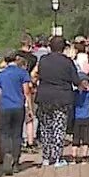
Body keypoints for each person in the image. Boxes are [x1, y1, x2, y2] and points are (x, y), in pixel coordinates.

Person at [32, 36, 77, 168]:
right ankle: (57, 158)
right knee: (59, 127)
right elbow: (75, 80)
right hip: (61, 97)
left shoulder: (43, 60)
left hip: (44, 96)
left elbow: (38, 74)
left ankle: (46, 157)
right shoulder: (67, 62)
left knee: (46, 128)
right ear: (64, 48)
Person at [0, 51, 33, 175]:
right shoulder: (22, 73)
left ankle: (7, 153)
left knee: (5, 133)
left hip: (5, 106)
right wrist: (29, 108)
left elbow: (0, 91)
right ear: (16, 59)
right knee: (17, 133)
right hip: (18, 106)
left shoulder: (2, 74)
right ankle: (16, 162)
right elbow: (26, 92)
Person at [71, 73, 89, 163]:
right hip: (86, 118)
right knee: (85, 139)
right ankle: (84, 157)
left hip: (76, 118)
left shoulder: (73, 94)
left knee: (76, 138)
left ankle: (74, 157)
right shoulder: (88, 94)